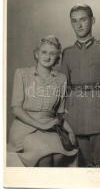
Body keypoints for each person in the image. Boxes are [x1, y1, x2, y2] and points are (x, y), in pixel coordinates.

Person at [60, 4, 100, 167]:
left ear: (92, 20)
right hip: (75, 116)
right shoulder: (67, 53)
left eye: (83, 19)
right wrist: (63, 120)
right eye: (74, 21)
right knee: (81, 163)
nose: (79, 25)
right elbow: (61, 90)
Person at [7, 35, 78, 167]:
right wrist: (41, 125)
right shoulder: (22, 74)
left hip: (50, 128)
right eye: (44, 52)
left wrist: (70, 131)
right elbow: (16, 109)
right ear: (37, 54)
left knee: (59, 156)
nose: (47, 57)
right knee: (44, 157)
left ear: (57, 58)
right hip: (25, 128)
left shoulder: (61, 79)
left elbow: (60, 113)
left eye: (52, 54)